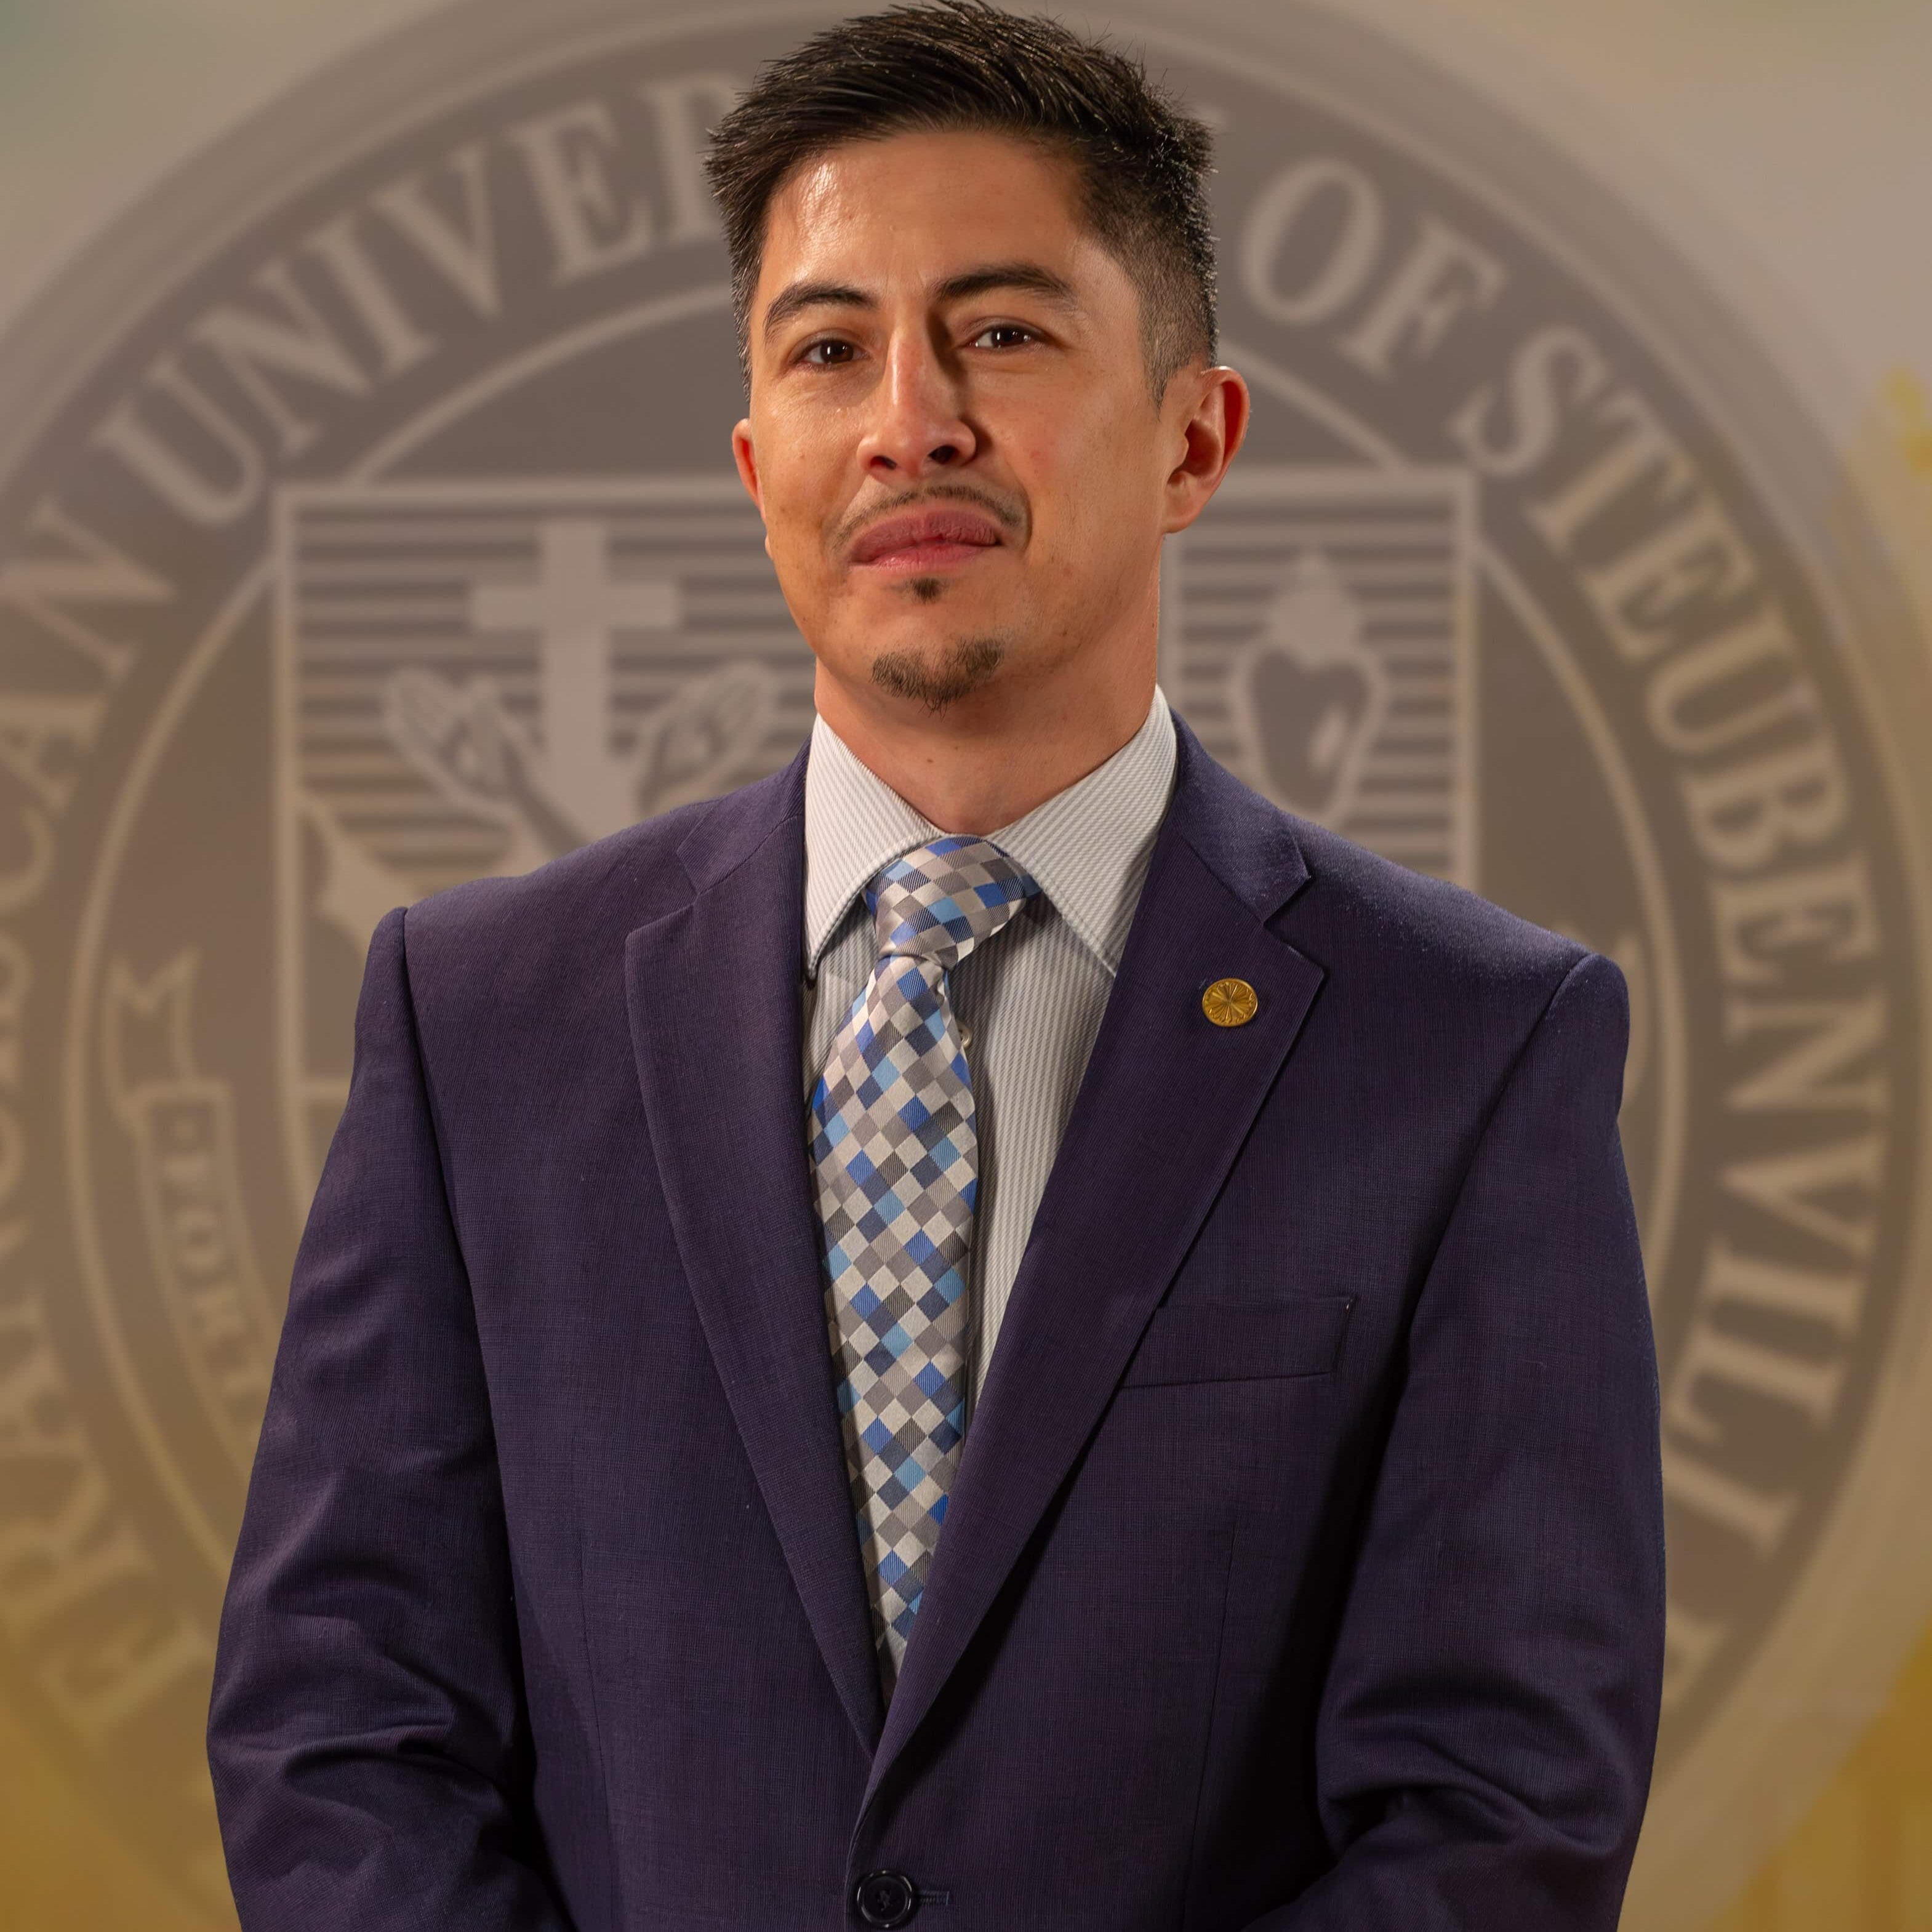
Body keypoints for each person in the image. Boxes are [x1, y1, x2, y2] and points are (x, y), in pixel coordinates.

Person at [207, 4, 1665, 1927]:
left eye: (1002, 331)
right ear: (756, 460)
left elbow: (1500, 1800)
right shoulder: (478, 1018)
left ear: (1193, 436)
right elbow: (340, 1726)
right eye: (830, 349)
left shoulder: (1471, 1044)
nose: (911, 419)